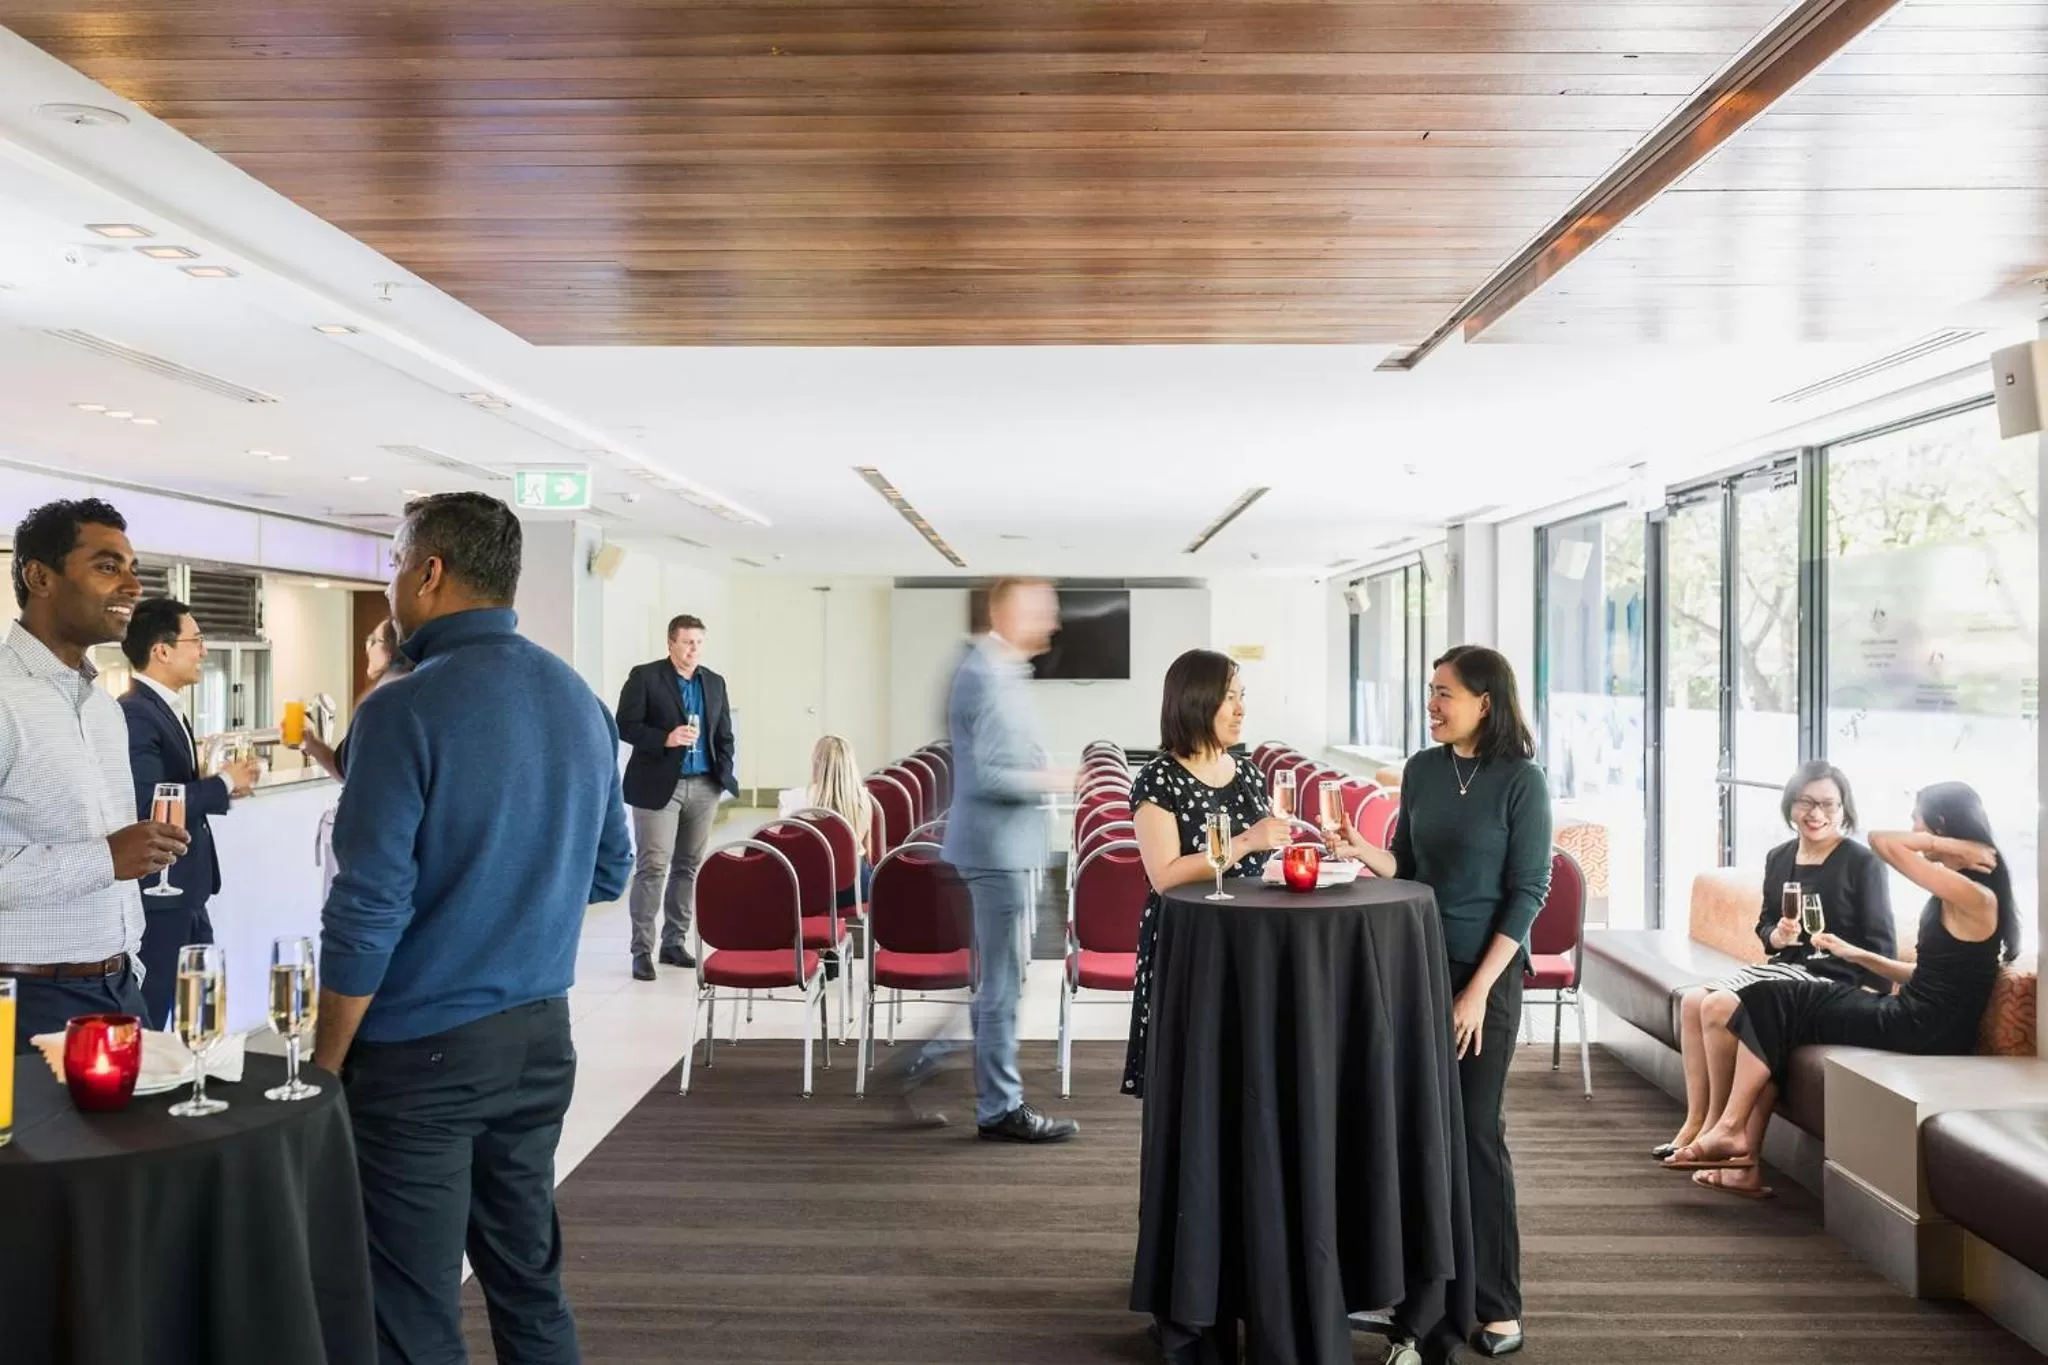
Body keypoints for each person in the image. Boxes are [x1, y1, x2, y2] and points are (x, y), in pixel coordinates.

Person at [314, 492, 633, 1363]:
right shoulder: (578, 697)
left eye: (391, 562)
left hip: (421, 1058)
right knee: (529, 1285)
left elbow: (365, 910)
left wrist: (325, 1065)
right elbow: (611, 869)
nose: (389, 582)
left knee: (412, 1315)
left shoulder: (401, 708)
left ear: (430, 571)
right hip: (540, 1040)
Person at [1331, 645, 1551, 1359]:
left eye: (1444, 692)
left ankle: (1496, 1301)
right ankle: (1421, 1291)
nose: (1432, 703)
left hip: (1486, 975)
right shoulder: (1423, 770)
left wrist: (1478, 992)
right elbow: (1410, 867)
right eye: (1430, 690)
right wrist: (1361, 848)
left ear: (1485, 701)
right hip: (1415, 966)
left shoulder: (1522, 780)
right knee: (1416, 1132)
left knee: (1475, 1133)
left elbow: (1527, 895)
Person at [1671, 781, 2016, 1201]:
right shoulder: (1963, 890)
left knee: (1773, 998)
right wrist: (1857, 955)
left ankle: (1731, 1131)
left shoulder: (1973, 894)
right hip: (1918, 1015)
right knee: (1776, 1006)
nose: (1911, 827)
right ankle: (1741, 1161)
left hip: (1922, 1028)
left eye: (1917, 819)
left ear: (1939, 824)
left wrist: (1955, 847)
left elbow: (1880, 842)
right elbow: (1927, 975)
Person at [0, 498, 187, 1050]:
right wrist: (105, 858)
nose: (132, 586)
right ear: (40, 576)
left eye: (133, 570)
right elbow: (106, 857)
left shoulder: (104, 707)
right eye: (108, 567)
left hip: (121, 989)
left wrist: (130, 969)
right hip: (28, 1001)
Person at [900, 577, 1079, 1142]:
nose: (1051, 622)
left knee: (1001, 981)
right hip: (998, 851)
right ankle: (1000, 1107)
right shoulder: (984, 675)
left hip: (1009, 847)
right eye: (1040, 610)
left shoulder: (1000, 669)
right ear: (1005, 613)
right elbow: (992, 776)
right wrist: (1058, 778)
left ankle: (923, 1061)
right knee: (1001, 985)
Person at [1652, 761, 1893, 1161]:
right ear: (1791, 805)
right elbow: (1766, 925)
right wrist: (1776, 935)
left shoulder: (1861, 862)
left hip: (1833, 979)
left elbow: (1880, 942)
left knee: (1717, 1004)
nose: (1816, 813)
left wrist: (1867, 997)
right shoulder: (1779, 858)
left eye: (1829, 804)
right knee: (1694, 1000)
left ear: (1844, 809)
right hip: (1786, 967)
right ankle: (1694, 1121)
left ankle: (1715, 1127)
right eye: (1806, 802)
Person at [1122, 649, 1291, 1100]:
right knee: (1192, 1076)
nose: (1241, 709)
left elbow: (1259, 863)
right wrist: (1247, 842)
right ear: (1196, 701)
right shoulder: (1158, 779)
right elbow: (1165, 875)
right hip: (1190, 939)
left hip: (1252, 938)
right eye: (1229, 697)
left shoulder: (1250, 774)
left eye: (1242, 696)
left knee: (1248, 1074)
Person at [118, 597, 261, 1028]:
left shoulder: (165, 707)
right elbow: (149, 806)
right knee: (156, 1013)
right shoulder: (136, 713)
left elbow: (175, 792)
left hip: (188, 888)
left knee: (202, 1009)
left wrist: (221, 789)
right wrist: (222, 784)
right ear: (161, 651)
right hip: (162, 893)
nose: (203, 651)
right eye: (195, 640)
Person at [615, 614, 736, 981]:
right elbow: (624, 724)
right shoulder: (646, 676)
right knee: (653, 867)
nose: (693, 649)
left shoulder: (714, 682)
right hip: (658, 786)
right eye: (686, 642)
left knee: (688, 867)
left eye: (699, 642)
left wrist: (721, 774)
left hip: (704, 786)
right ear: (670, 644)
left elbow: (724, 735)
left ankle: (673, 943)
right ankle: (641, 950)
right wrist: (665, 738)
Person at [298, 616, 413, 782]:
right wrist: (312, 744)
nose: (367, 649)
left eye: (374, 641)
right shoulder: (413, 688)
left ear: (391, 650)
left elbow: (351, 773)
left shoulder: (381, 700)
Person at [806, 734, 876, 909]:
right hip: (856, 888)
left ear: (817, 764)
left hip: (817, 890)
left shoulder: (805, 800)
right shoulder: (864, 799)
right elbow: (868, 851)